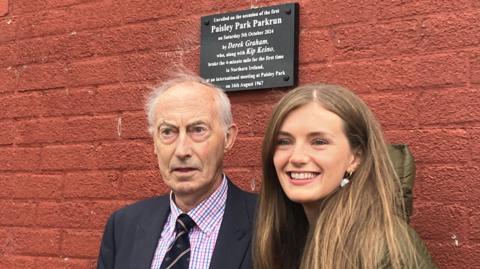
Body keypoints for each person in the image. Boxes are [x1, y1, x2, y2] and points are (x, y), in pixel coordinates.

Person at [253, 84, 436, 269]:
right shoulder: (283, 235)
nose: (297, 157)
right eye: (284, 141)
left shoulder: (386, 250)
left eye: (319, 141)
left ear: (355, 158)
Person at [96, 73, 257, 269]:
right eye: (168, 132)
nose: (182, 151)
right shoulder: (123, 226)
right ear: (154, 142)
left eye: (198, 130)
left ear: (228, 138)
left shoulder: (271, 223)